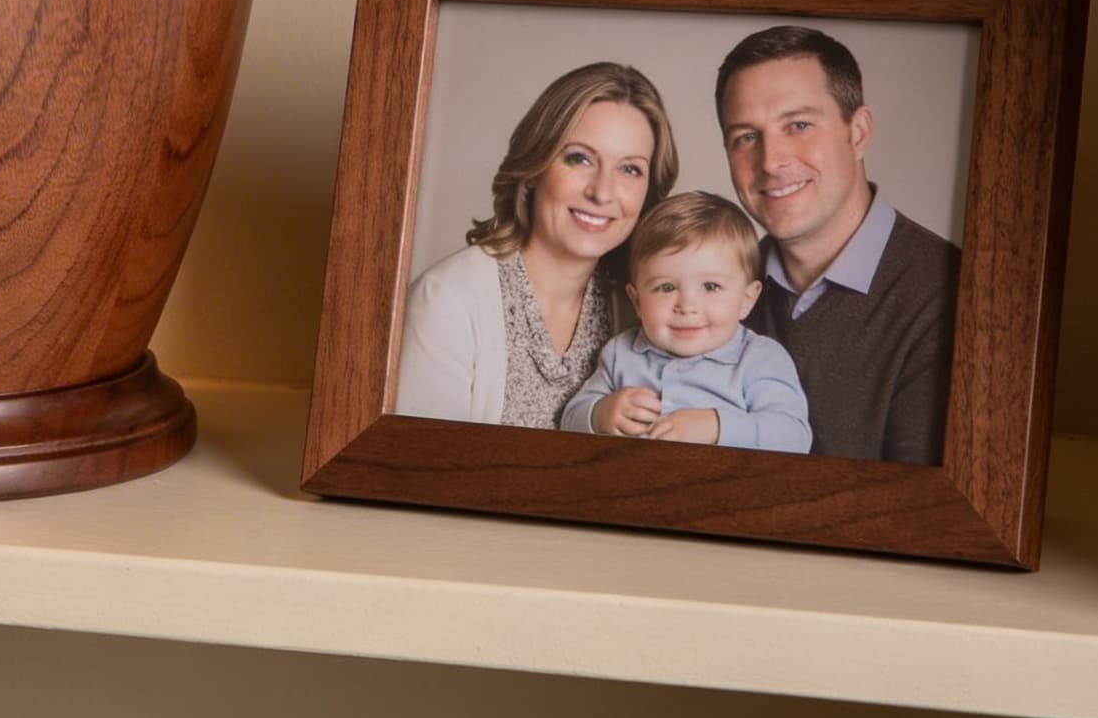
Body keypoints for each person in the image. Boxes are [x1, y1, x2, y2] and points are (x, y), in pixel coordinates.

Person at [715, 25, 957, 465]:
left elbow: (921, 514)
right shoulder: (713, 287)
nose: (771, 162)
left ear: (859, 132)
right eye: (746, 137)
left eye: (799, 125)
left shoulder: (950, 295)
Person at [395, 62, 677, 427]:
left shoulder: (640, 308)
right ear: (533, 170)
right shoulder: (448, 299)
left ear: (648, 194)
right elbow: (418, 472)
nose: (602, 192)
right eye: (579, 158)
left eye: (630, 169)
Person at [559, 191, 811, 451]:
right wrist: (600, 414)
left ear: (747, 299)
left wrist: (715, 426)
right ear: (637, 301)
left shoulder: (759, 358)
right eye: (666, 287)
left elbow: (795, 437)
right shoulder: (620, 354)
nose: (687, 306)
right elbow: (569, 420)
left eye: (711, 286)